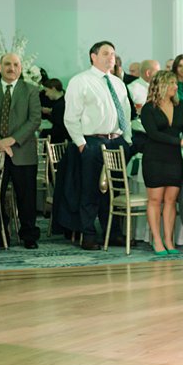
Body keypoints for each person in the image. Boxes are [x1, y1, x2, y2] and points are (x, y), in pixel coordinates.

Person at [63, 41, 132, 250]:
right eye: (105, 53)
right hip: (92, 141)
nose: (111, 57)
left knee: (113, 190)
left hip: (116, 140)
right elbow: (70, 117)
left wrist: (126, 139)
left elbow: (126, 113)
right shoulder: (81, 81)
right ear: (93, 56)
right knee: (91, 190)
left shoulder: (118, 82)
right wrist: (82, 144)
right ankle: (88, 233)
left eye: (113, 53)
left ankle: (112, 232)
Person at [140, 71, 183, 255]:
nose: (175, 86)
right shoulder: (148, 109)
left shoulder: (180, 107)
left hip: (174, 159)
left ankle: (169, 240)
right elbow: (154, 134)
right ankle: (157, 240)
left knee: (171, 201)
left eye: (175, 83)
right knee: (155, 200)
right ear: (161, 86)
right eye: (171, 83)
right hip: (154, 158)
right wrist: (181, 142)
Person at [0, 53, 44, 250]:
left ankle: (29, 235)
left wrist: (12, 140)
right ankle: (0, 234)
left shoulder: (31, 90)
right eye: (7, 64)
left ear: (21, 68)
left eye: (15, 64)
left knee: (27, 198)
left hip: (23, 152)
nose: (11, 68)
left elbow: (35, 120)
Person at [41, 78, 69, 143]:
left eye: (47, 91)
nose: (46, 94)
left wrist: (42, 130)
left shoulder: (59, 106)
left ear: (53, 89)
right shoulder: (65, 101)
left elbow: (60, 129)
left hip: (61, 142)